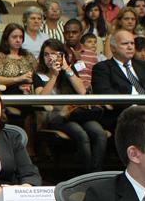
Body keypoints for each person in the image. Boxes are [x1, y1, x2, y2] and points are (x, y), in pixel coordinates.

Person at [33, 39, 106, 172]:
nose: (50, 58)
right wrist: (54, 76)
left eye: (54, 54)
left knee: (99, 132)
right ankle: (86, 174)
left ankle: (97, 172)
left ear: (62, 55)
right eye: (46, 54)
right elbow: (42, 99)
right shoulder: (39, 75)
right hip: (56, 116)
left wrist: (66, 69)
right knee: (81, 134)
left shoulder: (69, 71)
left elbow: (82, 92)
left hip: (77, 114)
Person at [92, 30, 145, 96]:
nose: (130, 47)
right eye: (125, 43)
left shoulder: (144, 66)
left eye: (132, 43)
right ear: (113, 48)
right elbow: (103, 93)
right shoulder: (102, 68)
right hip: (126, 108)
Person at [0, 23, 38, 94]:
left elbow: (37, 75)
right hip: (9, 93)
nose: (18, 40)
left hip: (29, 93)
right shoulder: (1, 56)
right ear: (6, 39)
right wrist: (19, 79)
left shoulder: (28, 56)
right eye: (14, 37)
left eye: (21, 37)